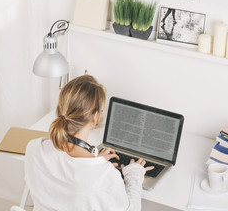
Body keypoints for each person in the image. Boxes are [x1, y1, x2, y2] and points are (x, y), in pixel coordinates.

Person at [25, 75, 154, 211]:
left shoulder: (35, 148)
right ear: (95, 117)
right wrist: (134, 173)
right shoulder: (105, 176)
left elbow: (70, 174)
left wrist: (94, 161)